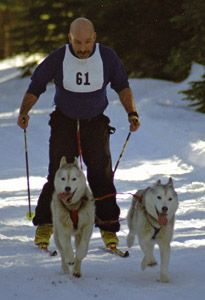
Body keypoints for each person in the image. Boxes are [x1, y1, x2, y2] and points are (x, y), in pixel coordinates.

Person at [17, 17, 140, 250]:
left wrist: (132, 113)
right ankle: (45, 223)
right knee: (58, 174)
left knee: (101, 177)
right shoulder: (58, 57)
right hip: (64, 122)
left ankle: (108, 228)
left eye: (87, 42)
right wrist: (24, 112)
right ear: (69, 39)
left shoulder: (107, 57)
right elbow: (37, 84)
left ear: (94, 37)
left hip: (95, 124)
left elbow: (122, 85)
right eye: (77, 43)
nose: (83, 48)